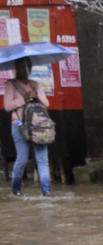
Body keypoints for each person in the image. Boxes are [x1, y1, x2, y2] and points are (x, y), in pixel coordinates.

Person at [4, 57, 51, 197]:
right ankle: (16, 188)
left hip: (37, 127)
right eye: (21, 67)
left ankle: (46, 191)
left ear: (30, 69)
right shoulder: (11, 84)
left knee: (42, 159)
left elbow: (46, 104)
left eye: (27, 67)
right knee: (22, 158)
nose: (24, 70)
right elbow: (7, 106)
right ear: (16, 69)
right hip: (19, 126)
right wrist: (23, 99)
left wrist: (36, 95)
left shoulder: (35, 84)